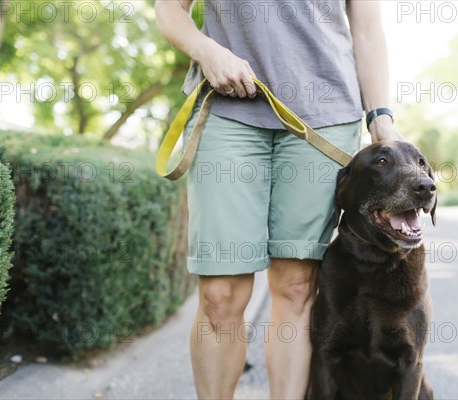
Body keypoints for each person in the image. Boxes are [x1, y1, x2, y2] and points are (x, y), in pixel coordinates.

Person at [155, 0, 403, 398]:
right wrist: (208, 51)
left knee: (296, 285)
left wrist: (381, 116)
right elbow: (168, 10)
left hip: (324, 117)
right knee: (220, 294)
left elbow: (368, 29)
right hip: (226, 110)